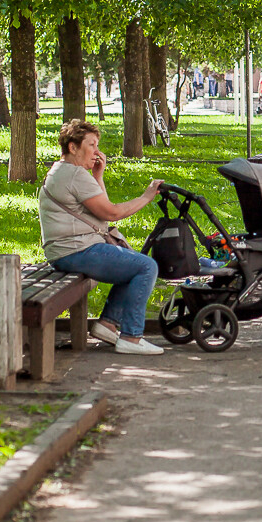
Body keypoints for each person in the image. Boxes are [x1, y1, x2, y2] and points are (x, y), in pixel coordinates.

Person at [39, 119, 165, 355]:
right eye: (91, 145)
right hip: (75, 251)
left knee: (132, 263)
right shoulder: (74, 175)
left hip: (67, 250)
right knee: (146, 266)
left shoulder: (63, 171)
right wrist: (147, 196)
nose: (97, 152)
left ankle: (107, 324)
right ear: (73, 147)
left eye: (97, 145)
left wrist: (98, 175)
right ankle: (132, 337)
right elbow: (112, 213)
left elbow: (103, 209)